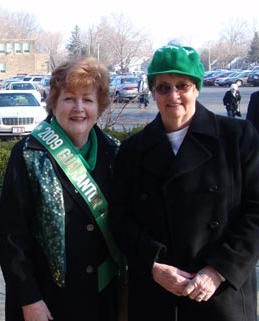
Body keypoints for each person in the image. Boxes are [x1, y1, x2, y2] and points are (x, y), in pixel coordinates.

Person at [110, 44, 259, 321]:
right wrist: (152, 265)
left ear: (197, 88)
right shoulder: (133, 150)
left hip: (221, 294)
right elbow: (120, 219)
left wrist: (219, 270)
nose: (173, 95)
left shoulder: (237, 138)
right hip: (157, 296)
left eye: (182, 85)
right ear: (153, 92)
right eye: (163, 87)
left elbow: (256, 211)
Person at [0, 56, 125, 321]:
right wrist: (29, 298)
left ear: (99, 106)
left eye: (87, 99)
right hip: (48, 302)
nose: (79, 108)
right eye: (69, 98)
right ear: (54, 103)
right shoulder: (28, 154)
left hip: (104, 300)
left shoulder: (114, 154)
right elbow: (12, 238)